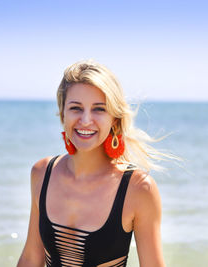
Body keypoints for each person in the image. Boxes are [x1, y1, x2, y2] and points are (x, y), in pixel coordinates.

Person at [17, 60, 170, 267]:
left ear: (114, 119)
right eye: (76, 108)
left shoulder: (138, 188)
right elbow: (30, 259)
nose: (86, 120)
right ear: (63, 113)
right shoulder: (43, 173)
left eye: (99, 109)